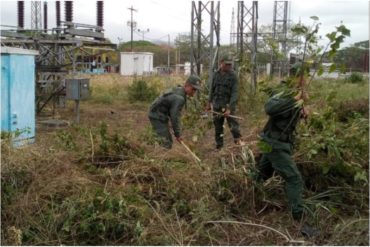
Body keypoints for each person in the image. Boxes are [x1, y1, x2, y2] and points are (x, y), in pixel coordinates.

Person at [256, 85, 318, 237]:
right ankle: (300, 219)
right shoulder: (284, 92)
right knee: (294, 179)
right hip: (274, 143)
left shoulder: (297, 94)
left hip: (271, 142)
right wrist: (294, 99)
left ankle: (245, 197)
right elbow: (270, 108)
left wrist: (301, 112)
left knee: (261, 174)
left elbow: (287, 114)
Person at [148, 75, 201, 149]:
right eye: (193, 89)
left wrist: (170, 123)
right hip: (156, 115)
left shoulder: (179, 90)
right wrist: (178, 134)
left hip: (159, 113)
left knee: (165, 139)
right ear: (187, 85)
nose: (194, 92)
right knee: (166, 142)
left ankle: (156, 149)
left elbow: (170, 107)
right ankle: (161, 157)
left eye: (195, 90)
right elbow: (175, 117)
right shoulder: (179, 98)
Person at [206, 55, 243, 150]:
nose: (229, 66)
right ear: (221, 63)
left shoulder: (233, 76)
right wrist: (209, 102)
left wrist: (230, 108)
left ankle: (239, 145)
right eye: (226, 64)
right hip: (217, 105)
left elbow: (235, 93)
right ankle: (220, 147)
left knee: (234, 127)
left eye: (230, 64)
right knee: (218, 128)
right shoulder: (215, 75)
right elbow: (212, 90)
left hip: (228, 106)